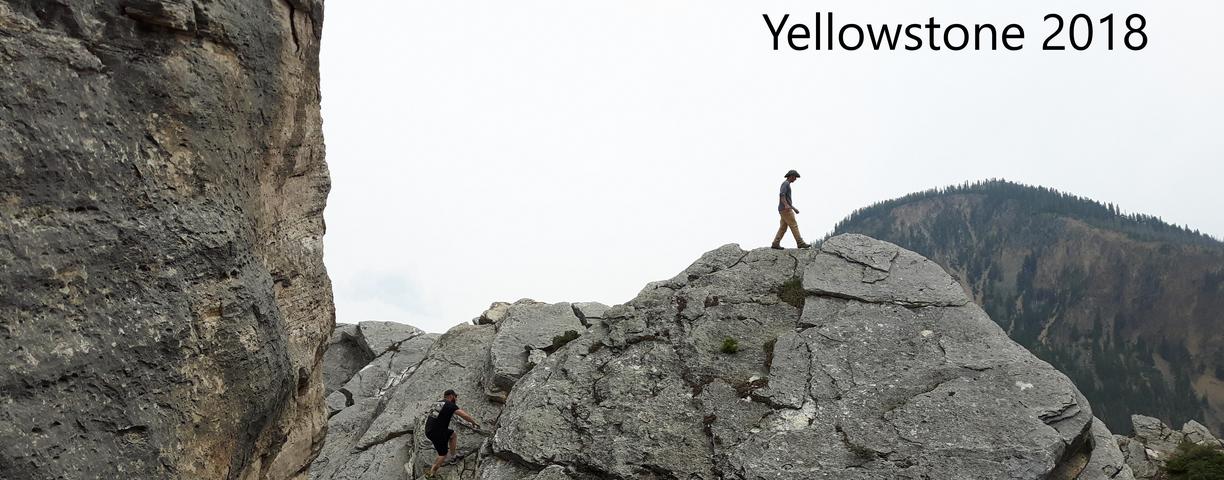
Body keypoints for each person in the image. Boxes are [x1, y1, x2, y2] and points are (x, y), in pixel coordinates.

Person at [424, 389, 480, 478]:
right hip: (437, 432)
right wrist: (473, 422)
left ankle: (453, 456)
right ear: (451, 396)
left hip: (429, 430)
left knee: (452, 435)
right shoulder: (450, 404)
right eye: (455, 396)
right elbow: (464, 415)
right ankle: (432, 473)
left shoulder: (438, 403)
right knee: (443, 454)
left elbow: (434, 417)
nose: (456, 399)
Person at [772, 169, 810, 249]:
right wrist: (786, 205)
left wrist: (794, 208)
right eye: (795, 177)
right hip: (785, 209)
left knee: (783, 228)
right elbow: (782, 195)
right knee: (794, 225)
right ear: (791, 176)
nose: (795, 179)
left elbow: (787, 199)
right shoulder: (785, 184)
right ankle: (800, 243)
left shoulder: (787, 184)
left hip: (783, 209)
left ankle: (775, 243)